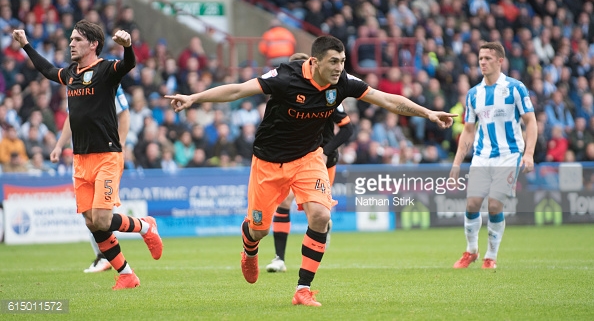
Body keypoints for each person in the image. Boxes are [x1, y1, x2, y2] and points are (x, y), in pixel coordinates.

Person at [166, 35, 455, 306]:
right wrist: (195, 98)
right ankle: (249, 246)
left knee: (321, 215)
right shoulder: (285, 77)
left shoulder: (343, 82)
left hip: (308, 159)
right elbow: (239, 90)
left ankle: (302, 289)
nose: (339, 68)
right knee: (259, 229)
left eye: (342, 62)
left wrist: (427, 113)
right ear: (315, 62)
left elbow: (388, 100)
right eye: (333, 62)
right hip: (268, 163)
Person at [12, 21, 163, 291]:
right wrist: (25, 45)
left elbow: (128, 65)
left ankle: (145, 226)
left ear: (93, 44)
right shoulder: (70, 73)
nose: (71, 44)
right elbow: (47, 70)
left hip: (107, 155)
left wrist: (128, 46)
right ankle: (127, 274)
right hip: (81, 159)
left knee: (103, 219)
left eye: (77, 39)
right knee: (91, 221)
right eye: (70, 39)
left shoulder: (106, 70)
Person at [450, 42, 537, 269]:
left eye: (488, 58)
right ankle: (471, 251)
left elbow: (530, 121)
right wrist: (457, 163)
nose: (483, 62)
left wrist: (528, 154)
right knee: (472, 204)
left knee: (494, 206)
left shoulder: (515, 88)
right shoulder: (473, 94)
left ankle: (491, 256)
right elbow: (468, 131)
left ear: (500, 61)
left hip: (509, 155)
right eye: (480, 58)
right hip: (481, 155)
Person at [266, 52, 354, 273]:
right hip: (294, 157)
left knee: (315, 212)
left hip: (323, 159)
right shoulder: (286, 93)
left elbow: (347, 128)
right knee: (284, 202)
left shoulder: (329, 95)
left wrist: (326, 151)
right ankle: (279, 258)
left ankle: (323, 229)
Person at [50, 84, 131, 274]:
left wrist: (120, 146)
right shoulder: (74, 84)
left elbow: (124, 113)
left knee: (102, 215)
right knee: (88, 214)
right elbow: (73, 118)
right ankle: (105, 257)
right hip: (81, 157)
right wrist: (59, 145)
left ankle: (141, 228)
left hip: (105, 156)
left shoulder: (107, 79)